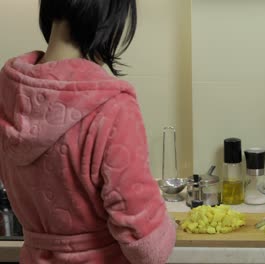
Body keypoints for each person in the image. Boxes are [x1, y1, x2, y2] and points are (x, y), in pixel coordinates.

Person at [0, 0, 176, 263]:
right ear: (108, 18)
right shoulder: (112, 106)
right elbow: (145, 245)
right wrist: (167, 227)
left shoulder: (9, 96)